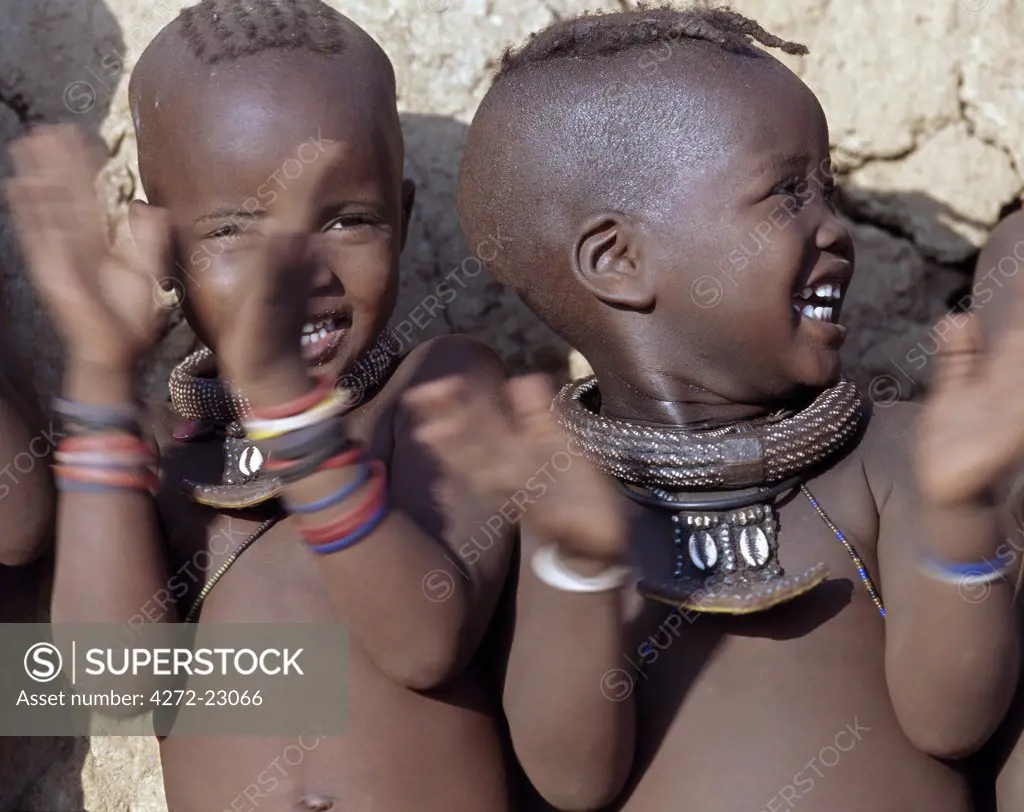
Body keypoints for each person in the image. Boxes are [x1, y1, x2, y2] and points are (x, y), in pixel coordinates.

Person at [407, 6, 1024, 811]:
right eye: (787, 193)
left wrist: (960, 516)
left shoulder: (898, 454)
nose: (835, 229)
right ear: (619, 260)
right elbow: (571, 778)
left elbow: (951, 721)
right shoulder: (548, 493)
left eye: (828, 190)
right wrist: (579, 570)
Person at [5, 1, 514, 810]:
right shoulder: (160, 447)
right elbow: (115, 680)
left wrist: (292, 422)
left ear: (405, 217)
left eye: (347, 220)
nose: (298, 271)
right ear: (160, 248)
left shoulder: (439, 389)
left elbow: (424, 642)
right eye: (237, 231)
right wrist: (100, 377)